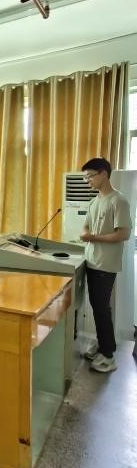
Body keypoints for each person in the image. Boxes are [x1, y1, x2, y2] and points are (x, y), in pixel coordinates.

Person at [80, 158, 132, 374]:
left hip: (105, 264)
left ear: (103, 173)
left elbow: (123, 234)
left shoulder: (118, 200)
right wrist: (86, 233)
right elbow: (85, 227)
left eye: (90, 176)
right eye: (86, 178)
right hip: (91, 261)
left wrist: (93, 237)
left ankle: (108, 357)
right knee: (97, 307)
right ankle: (103, 347)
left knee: (101, 309)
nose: (88, 181)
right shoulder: (95, 201)